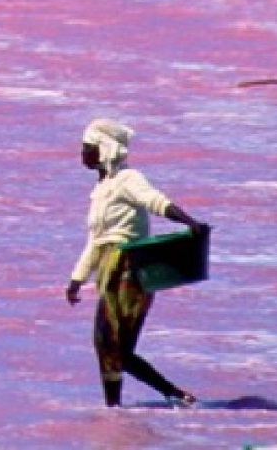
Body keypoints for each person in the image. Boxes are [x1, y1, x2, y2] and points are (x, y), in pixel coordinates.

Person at [65, 118, 210, 409]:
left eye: (87, 148)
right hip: (109, 268)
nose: (82, 154)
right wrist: (77, 279)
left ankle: (170, 396)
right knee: (109, 344)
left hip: (129, 269)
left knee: (112, 344)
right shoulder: (103, 188)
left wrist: (189, 222)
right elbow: (96, 240)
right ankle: (120, 407)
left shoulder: (128, 180)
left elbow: (155, 201)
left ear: (104, 150)